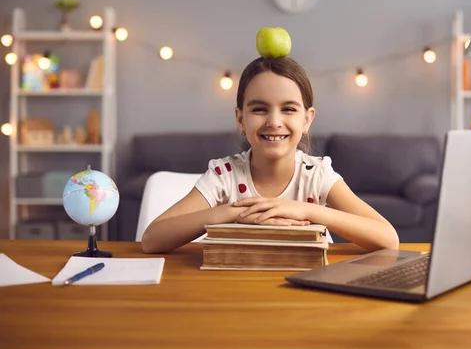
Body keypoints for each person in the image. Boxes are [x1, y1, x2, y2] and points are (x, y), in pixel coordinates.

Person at [141, 56, 399, 253]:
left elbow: (388, 239)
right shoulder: (224, 176)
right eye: (260, 109)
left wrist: (307, 211)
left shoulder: (316, 175)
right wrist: (232, 213)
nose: (274, 122)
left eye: (288, 109)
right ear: (240, 119)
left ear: (307, 120)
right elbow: (152, 239)